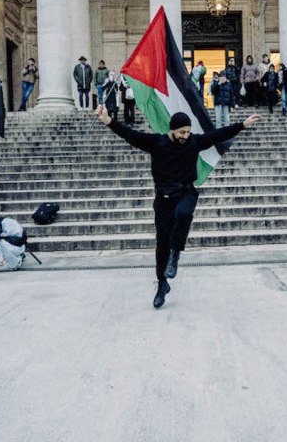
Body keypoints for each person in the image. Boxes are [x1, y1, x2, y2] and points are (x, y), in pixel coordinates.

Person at [95, 105, 262, 309]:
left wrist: (242, 125)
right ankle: (162, 285)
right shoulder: (157, 143)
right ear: (172, 130)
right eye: (182, 132)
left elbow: (217, 135)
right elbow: (131, 135)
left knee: (183, 213)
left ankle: (176, 252)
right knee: (161, 245)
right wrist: (108, 121)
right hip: (163, 198)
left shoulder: (194, 142)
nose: (185, 135)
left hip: (186, 192)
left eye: (188, 131)